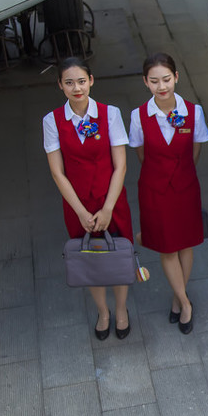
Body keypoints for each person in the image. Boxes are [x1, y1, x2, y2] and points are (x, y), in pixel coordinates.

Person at [43, 57, 135, 340]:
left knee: (119, 256)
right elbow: (58, 173)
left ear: (91, 81)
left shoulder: (110, 114)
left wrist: (107, 208)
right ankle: (102, 311)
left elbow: (121, 165)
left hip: (113, 201)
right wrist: (82, 212)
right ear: (60, 85)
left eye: (81, 81)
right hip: (77, 205)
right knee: (90, 260)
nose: (76, 88)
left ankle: (120, 309)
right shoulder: (52, 121)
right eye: (69, 82)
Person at [128, 52, 208, 334]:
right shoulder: (138, 116)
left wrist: (180, 173)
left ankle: (177, 298)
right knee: (167, 247)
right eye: (154, 81)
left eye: (166, 79)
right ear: (145, 83)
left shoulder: (193, 112)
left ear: (176, 77)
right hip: (154, 189)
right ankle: (185, 303)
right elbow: (141, 153)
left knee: (185, 244)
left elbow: (195, 150)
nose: (161, 86)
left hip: (186, 188)